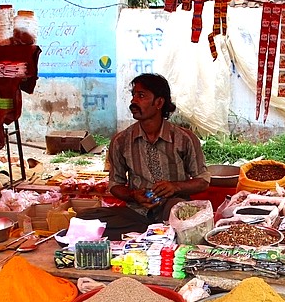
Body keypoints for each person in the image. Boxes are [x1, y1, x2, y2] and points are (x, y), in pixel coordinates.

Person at [77, 73, 210, 240]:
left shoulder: (184, 139)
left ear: (159, 103)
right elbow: (114, 185)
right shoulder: (121, 141)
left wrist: (175, 187)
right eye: (133, 95)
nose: (133, 101)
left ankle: (152, 234)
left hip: (172, 211)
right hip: (137, 212)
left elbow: (203, 181)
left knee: (176, 208)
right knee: (83, 219)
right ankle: (152, 234)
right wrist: (133, 195)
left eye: (141, 96)